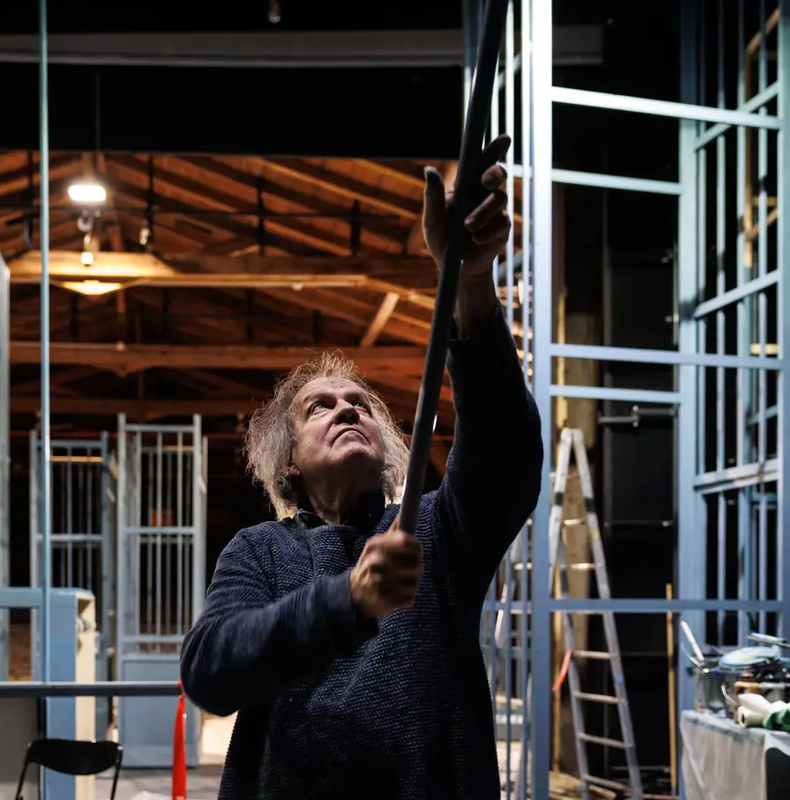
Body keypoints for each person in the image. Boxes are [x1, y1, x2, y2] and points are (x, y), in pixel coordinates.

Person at [180, 134, 542, 799]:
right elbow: (210, 671)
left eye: (362, 404)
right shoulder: (258, 553)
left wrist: (467, 283)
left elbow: (506, 455)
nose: (349, 410)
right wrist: (345, 600)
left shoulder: (436, 531)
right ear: (289, 457)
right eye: (321, 406)